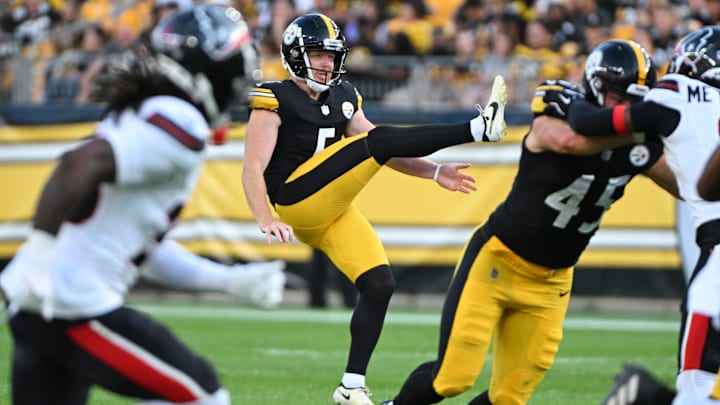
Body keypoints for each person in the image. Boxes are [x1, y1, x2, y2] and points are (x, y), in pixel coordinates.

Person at [380, 39, 679, 405]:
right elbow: (568, 141)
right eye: (622, 99)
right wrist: (638, 131)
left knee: (509, 398)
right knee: (452, 378)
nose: (630, 109)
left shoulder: (637, 142)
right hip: (498, 261)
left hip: (552, 282)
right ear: (597, 88)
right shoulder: (563, 112)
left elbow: (687, 185)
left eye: (638, 102)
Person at [241, 12, 508, 405]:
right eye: (318, 55)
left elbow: (383, 148)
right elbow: (252, 168)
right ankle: (477, 128)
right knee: (375, 142)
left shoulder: (344, 96)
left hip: (330, 212)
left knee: (379, 284)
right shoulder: (275, 98)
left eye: (332, 56)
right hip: (294, 200)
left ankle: (351, 386)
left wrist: (433, 173)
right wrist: (265, 218)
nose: (327, 64)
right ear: (296, 55)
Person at [0, 4, 261, 404]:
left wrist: (227, 281)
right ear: (212, 71)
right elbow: (76, 165)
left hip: (40, 307)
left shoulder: (148, 111)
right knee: (203, 395)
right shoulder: (180, 121)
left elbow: (139, 248)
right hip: (71, 305)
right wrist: (37, 257)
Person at [564, 26, 720, 405]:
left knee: (699, 392)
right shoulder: (688, 100)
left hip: (716, 259)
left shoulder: (676, 95)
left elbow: (588, 123)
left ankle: (642, 397)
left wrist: (564, 99)